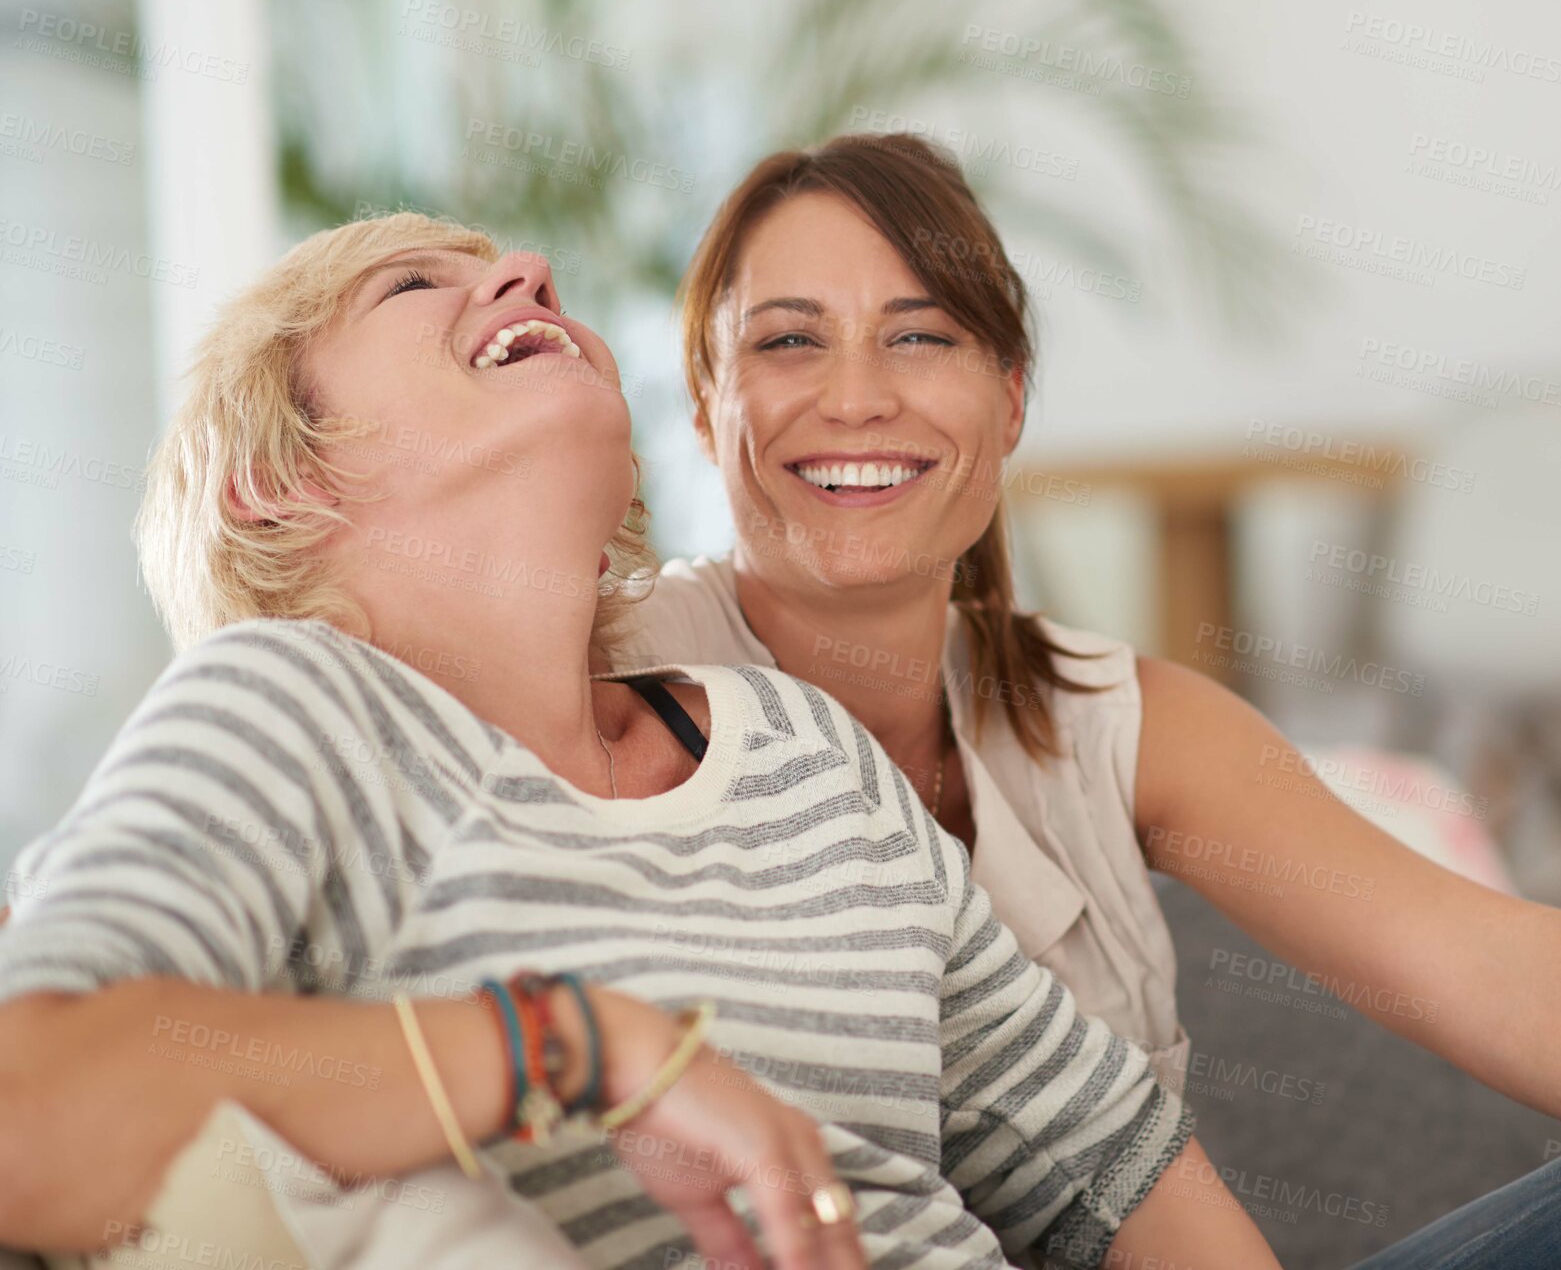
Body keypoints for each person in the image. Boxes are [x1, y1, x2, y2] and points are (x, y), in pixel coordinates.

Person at [0, 211, 1283, 1270]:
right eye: (410, 281)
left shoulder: (799, 743)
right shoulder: (285, 707)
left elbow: (1112, 1169)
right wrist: (578, 1046)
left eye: (511, 260)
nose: (528, 272)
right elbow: (32, 1113)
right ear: (274, 481)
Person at [614, 132, 1561, 1114]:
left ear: (1010, 398)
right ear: (703, 405)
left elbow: (1487, 963)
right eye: (789, 340)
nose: (854, 398)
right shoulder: (597, 675)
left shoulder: (1108, 716)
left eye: (919, 335)